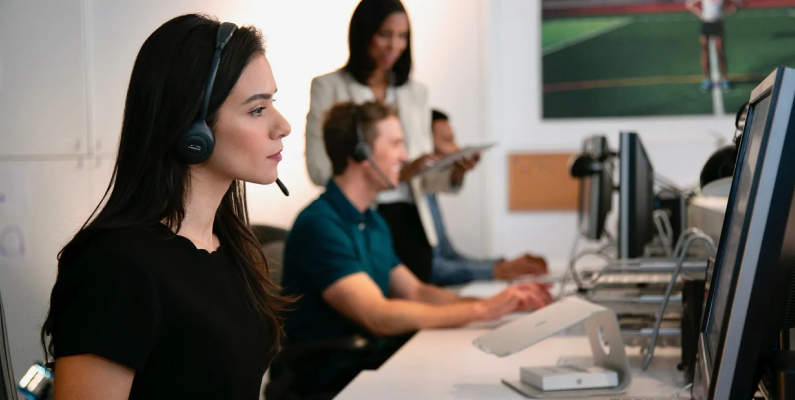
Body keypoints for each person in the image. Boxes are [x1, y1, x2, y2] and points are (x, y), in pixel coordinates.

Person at [41, 14, 292, 400]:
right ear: (195, 131)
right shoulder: (116, 266)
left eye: (272, 103)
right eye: (257, 110)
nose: (283, 125)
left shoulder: (231, 248)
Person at [283, 101, 554, 393]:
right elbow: (377, 316)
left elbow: (417, 292)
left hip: (371, 364)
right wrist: (482, 310)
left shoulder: (371, 220)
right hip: (335, 380)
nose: (405, 155)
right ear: (361, 154)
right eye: (397, 144)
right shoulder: (321, 225)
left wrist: (505, 303)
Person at [304, 0, 474, 283]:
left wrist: (454, 171)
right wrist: (394, 175)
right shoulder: (329, 87)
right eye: (384, 34)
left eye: (402, 36)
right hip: (363, 216)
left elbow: (424, 177)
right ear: (363, 34)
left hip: (413, 222)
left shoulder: (415, 93)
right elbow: (319, 170)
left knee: (418, 307)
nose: (394, 45)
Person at [428, 110, 548, 286]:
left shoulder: (428, 194)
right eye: (447, 141)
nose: (456, 149)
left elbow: (449, 256)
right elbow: (429, 269)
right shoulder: (402, 203)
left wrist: (503, 264)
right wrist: (495, 270)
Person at [685, 0, 738, 91]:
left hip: (717, 24)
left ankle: (724, 78)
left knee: (720, 51)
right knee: (705, 51)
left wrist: (724, 14)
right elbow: (689, 4)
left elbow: (734, 5)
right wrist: (700, 14)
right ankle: (706, 79)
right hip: (706, 24)